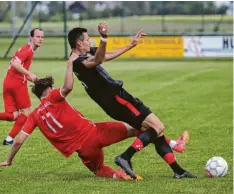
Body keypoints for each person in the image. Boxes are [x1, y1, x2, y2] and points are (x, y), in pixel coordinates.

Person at [0, 23, 143, 181]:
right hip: (95, 133)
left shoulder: (34, 116)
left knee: (99, 169)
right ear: (48, 90)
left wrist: (9, 160)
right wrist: (70, 64)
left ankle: (119, 176)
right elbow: (68, 87)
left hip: (83, 150)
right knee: (139, 128)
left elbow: (19, 140)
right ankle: (167, 145)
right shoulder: (54, 96)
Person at [68, 23, 197, 179]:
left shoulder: (82, 56)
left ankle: (178, 170)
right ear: (79, 43)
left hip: (113, 102)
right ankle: (125, 157)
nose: (90, 41)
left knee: (155, 133)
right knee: (158, 126)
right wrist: (103, 38)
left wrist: (130, 45)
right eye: (88, 39)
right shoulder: (77, 61)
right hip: (117, 98)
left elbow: (105, 56)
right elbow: (98, 60)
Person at [0, 28, 44, 145]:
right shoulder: (28, 49)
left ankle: (8, 140)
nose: (40, 39)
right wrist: (29, 74)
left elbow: (18, 68)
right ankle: (9, 139)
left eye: (42, 37)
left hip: (8, 82)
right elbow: (15, 64)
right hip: (17, 84)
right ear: (31, 37)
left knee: (13, 115)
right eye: (38, 37)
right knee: (25, 113)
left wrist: (36, 80)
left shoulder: (26, 49)